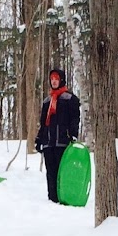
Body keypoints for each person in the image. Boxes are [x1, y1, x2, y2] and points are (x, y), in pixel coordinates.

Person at [35, 68, 80, 203]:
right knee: (51, 172)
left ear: (61, 80)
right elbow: (43, 123)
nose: (54, 82)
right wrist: (39, 139)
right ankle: (52, 199)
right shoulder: (47, 101)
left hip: (63, 142)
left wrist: (72, 134)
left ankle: (65, 198)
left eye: (56, 79)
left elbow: (75, 119)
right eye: (52, 79)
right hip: (49, 143)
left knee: (63, 172)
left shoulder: (70, 99)